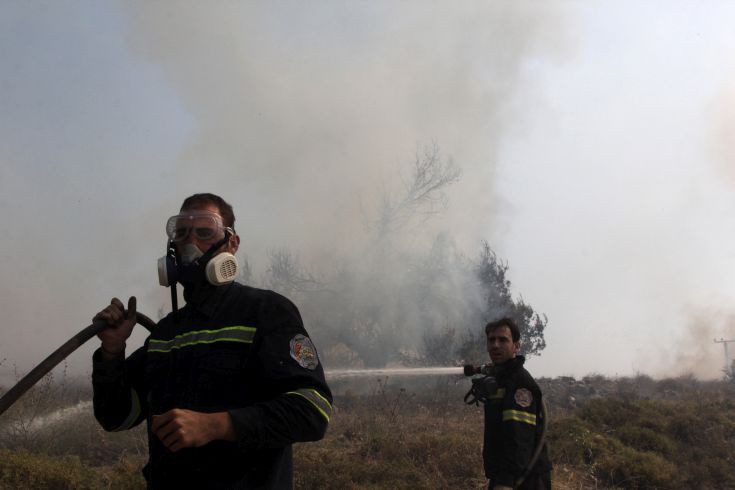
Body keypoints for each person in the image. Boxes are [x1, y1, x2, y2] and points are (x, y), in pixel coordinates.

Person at [92, 193, 332, 489]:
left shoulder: (265, 312)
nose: (191, 242)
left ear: (231, 244)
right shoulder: (166, 333)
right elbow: (115, 417)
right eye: (181, 232)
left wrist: (219, 425)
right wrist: (112, 351)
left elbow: (312, 410)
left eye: (205, 232)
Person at [482, 318, 551, 490]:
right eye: (491, 340)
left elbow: (519, 438)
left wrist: (505, 482)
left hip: (524, 480)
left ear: (516, 346)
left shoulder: (520, 383)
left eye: (503, 340)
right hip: (507, 476)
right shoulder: (502, 378)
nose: (495, 345)